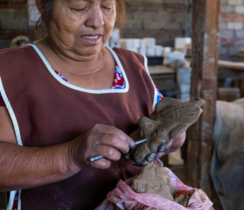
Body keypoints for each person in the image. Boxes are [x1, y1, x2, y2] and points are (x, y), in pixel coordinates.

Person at [0, 0, 186, 209]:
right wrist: (70, 156)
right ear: (44, 6)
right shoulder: (9, 71)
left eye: (107, 7)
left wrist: (172, 135)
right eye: (78, 7)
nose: (97, 22)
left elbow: (165, 141)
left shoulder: (133, 66)